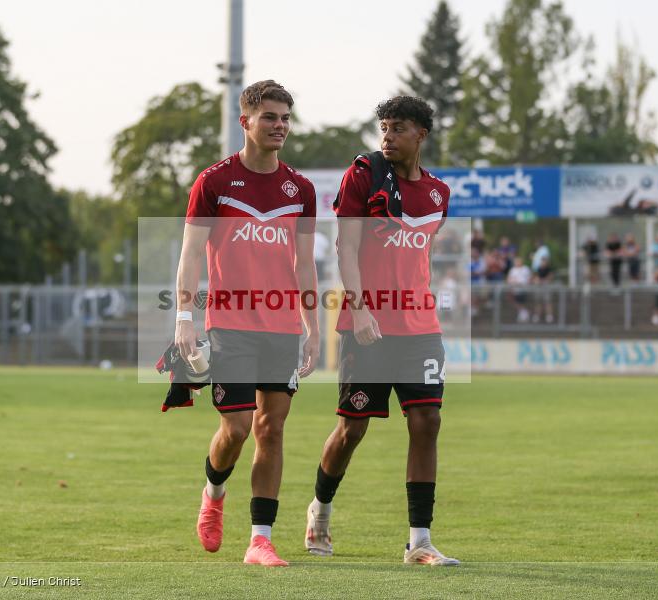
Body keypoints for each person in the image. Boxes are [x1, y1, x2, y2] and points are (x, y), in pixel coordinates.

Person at [304, 96, 459, 566]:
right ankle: (320, 511)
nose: (387, 136)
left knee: (426, 422)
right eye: (384, 128)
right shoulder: (362, 176)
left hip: (419, 326)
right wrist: (361, 308)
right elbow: (345, 249)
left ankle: (420, 541)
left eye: (398, 129)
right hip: (364, 324)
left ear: (421, 136)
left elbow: (419, 260)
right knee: (353, 428)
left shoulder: (438, 194)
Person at [176, 80, 319, 567]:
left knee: (271, 430)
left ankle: (260, 539)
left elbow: (305, 265)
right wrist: (183, 320)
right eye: (270, 118)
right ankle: (213, 494)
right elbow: (191, 254)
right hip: (230, 324)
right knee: (236, 427)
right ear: (246, 122)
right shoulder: (214, 182)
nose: (280, 126)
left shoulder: (299, 188)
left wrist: (313, 327)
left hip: (282, 327)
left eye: (285, 118)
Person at [506, 256, 532, 323]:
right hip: (514, 289)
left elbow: (529, 278)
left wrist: (525, 284)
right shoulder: (513, 269)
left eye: (518, 261)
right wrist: (511, 283)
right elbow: (509, 279)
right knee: (512, 299)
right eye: (516, 261)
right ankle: (523, 311)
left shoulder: (525, 269)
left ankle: (523, 313)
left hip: (523, 289)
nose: (517, 263)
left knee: (521, 301)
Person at [532, 256, 555, 324]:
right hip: (538, 287)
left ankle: (549, 315)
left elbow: (550, 277)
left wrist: (544, 280)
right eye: (542, 261)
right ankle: (537, 315)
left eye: (544, 261)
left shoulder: (549, 269)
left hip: (546, 287)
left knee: (548, 302)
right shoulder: (538, 269)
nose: (543, 263)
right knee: (538, 302)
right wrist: (537, 280)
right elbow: (535, 277)